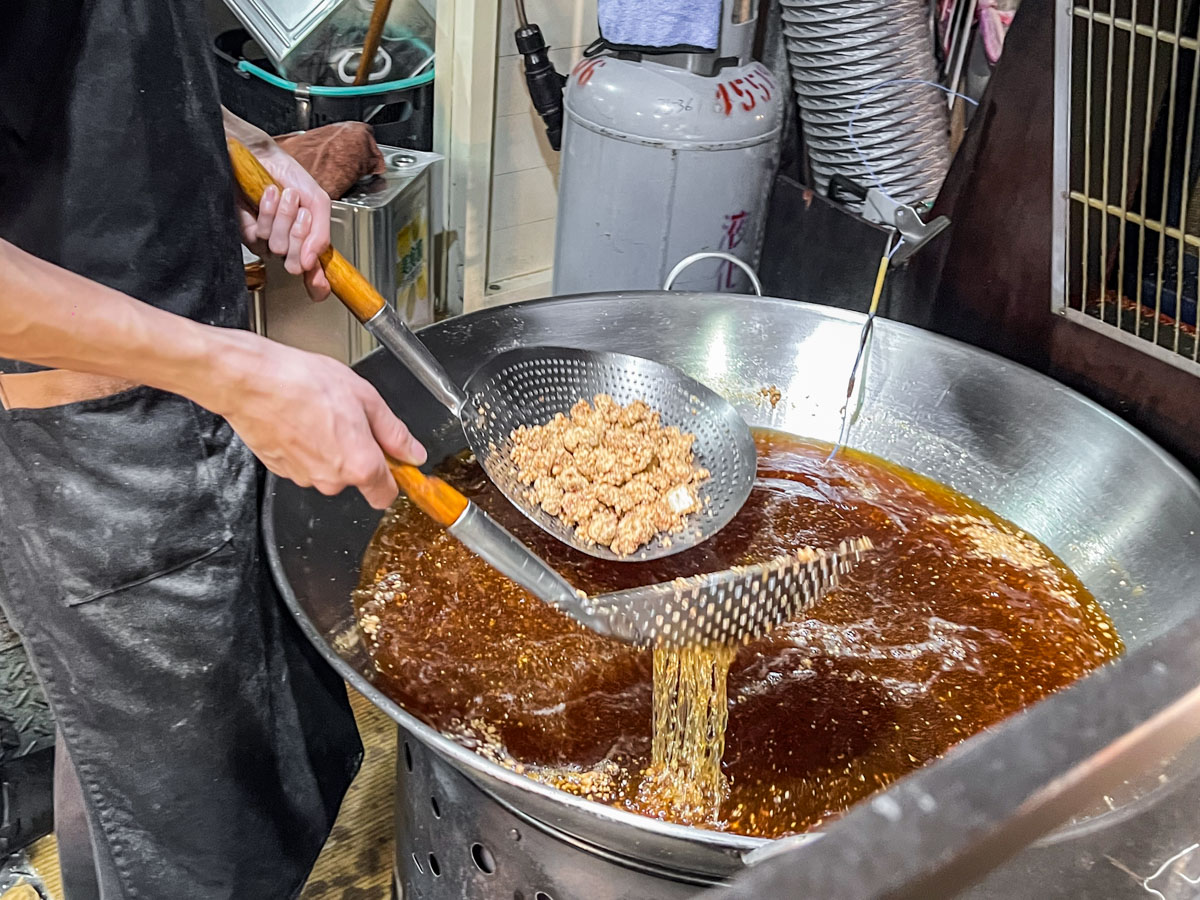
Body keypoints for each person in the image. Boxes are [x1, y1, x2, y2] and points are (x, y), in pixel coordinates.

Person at [0, 2, 427, 897]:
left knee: (176, 782)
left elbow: (97, 64)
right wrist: (231, 372)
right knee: (195, 835)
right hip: (100, 444)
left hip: (197, 377)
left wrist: (237, 147)